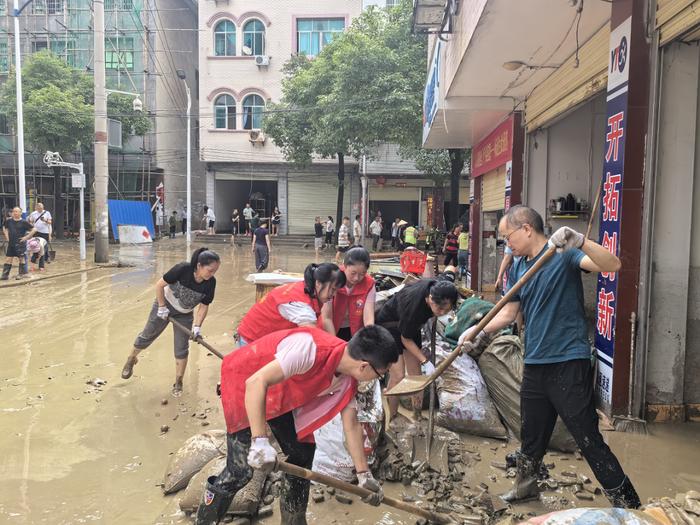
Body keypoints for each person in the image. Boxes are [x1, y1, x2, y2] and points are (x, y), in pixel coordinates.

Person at [458, 205, 640, 509]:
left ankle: (629, 504)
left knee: (586, 436)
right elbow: (509, 311)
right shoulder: (518, 266)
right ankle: (526, 488)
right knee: (531, 433)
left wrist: (579, 240)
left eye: (507, 237)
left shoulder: (563, 254)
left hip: (567, 360)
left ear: (527, 228)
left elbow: (613, 265)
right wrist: (476, 330)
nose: (506, 245)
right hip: (535, 361)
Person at [194, 325, 399, 525]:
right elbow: (255, 383)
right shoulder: (309, 349)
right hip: (246, 382)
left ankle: (294, 520)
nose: (379, 379)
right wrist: (260, 441)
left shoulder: (348, 377)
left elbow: (352, 424)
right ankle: (204, 521)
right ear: (364, 366)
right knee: (240, 472)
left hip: (281, 393)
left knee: (303, 452)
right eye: (381, 374)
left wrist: (364, 474)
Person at [121, 248, 220, 397]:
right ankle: (131, 359)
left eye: (215, 271)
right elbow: (160, 285)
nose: (212, 274)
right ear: (199, 265)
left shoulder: (210, 283)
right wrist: (161, 306)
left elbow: (203, 306)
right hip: (165, 305)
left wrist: (197, 327)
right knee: (147, 335)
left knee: (181, 348)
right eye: (210, 270)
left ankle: (178, 381)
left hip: (184, 315)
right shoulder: (183, 269)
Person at [376, 277, 458, 428]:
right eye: (439, 309)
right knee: (398, 375)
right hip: (389, 326)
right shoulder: (413, 306)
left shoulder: (435, 286)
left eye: (446, 310)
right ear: (430, 299)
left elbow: (409, 333)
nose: (441, 313)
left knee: (416, 376)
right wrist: (425, 361)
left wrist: (442, 314)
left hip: (410, 326)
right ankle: (393, 418)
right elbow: (405, 339)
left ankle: (417, 414)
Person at [236, 263, 346, 346]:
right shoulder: (299, 304)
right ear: (318, 283)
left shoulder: (306, 288)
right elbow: (313, 337)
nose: (334, 294)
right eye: (332, 289)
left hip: (264, 337)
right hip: (252, 339)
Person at [321, 247, 375, 341]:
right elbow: (326, 317)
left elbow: (368, 318)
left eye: (362, 274)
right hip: (330, 326)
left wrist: (369, 338)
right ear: (344, 266)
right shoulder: (333, 278)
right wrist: (334, 343)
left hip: (353, 328)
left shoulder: (369, 284)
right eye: (353, 273)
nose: (356, 278)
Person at [2, 207, 36, 281]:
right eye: (14, 211)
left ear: (20, 213)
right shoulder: (9, 221)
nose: (15, 213)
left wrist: (27, 237)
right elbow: (4, 228)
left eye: (17, 211)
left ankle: (21, 274)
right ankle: (5, 275)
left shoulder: (24, 222)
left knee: (22, 259)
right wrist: (7, 237)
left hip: (20, 244)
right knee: (8, 259)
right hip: (11, 243)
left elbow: (34, 229)